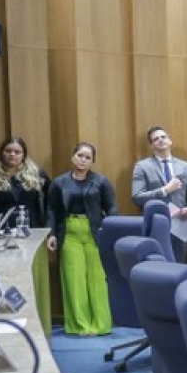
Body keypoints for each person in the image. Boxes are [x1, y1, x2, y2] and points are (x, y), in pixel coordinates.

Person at [46, 142, 117, 336]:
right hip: (69, 232)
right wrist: (51, 234)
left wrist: (109, 231)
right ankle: (80, 325)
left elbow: (111, 208)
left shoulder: (101, 181)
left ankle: (101, 325)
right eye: (80, 155)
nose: (83, 160)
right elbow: (51, 209)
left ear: (93, 161)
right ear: (72, 157)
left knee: (97, 280)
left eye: (87, 157)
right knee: (74, 278)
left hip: (95, 231)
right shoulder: (59, 182)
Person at [131, 126, 187, 257]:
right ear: (151, 146)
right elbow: (137, 197)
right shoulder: (142, 166)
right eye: (155, 139)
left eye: (163, 137)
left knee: (179, 262)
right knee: (158, 266)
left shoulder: (184, 166)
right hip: (155, 223)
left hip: (181, 223)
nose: (160, 140)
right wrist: (165, 190)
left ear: (170, 141)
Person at [0, 136, 51, 228]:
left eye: (17, 152)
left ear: (24, 155)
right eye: (8, 151)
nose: (12, 154)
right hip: (2, 231)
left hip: (34, 229)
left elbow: (52, 201)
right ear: (1, 153)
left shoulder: (37, 175)